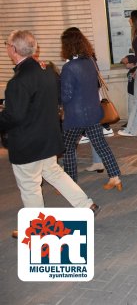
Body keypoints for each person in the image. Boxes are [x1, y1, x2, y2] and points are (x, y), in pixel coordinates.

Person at [1, 30, 99, 238]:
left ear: (14, 50)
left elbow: (14, 116)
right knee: (54, 173)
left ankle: (37, 228)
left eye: (7, 44)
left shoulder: (17, 82)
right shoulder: (47, 71)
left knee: (30, 187)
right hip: (48, 137)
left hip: (27, 143)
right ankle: (86, 205)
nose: (6, 48)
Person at [60, 27, 123, 190]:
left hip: (75, 117)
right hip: (93, 113)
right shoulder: (90, 62)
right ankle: (115, 177)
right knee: (101, 145)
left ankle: (70, 185)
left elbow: (66, 96)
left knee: (68, 149)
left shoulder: (68, 68)